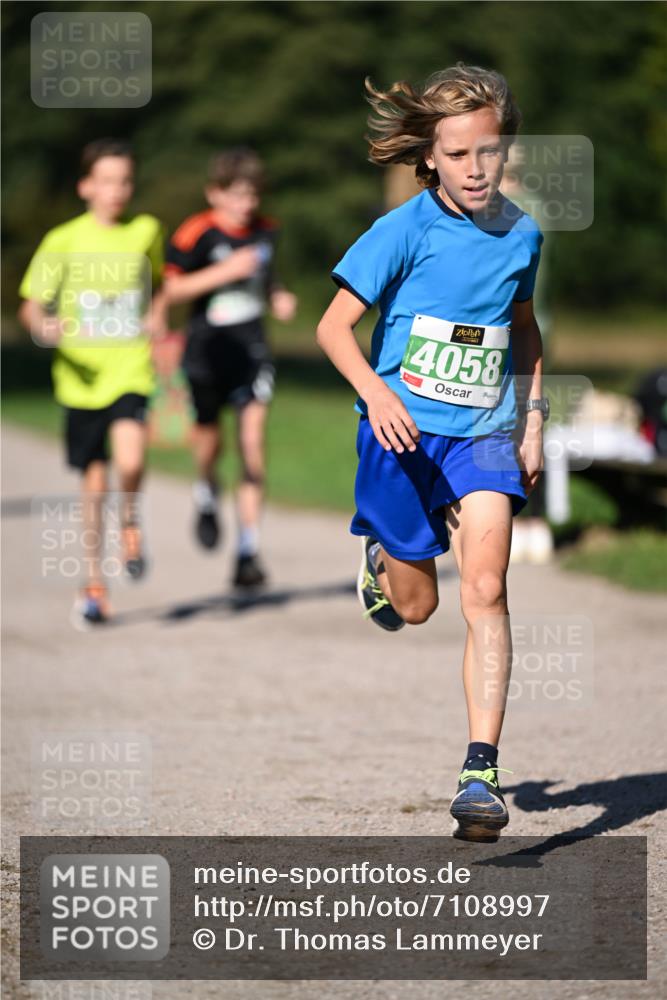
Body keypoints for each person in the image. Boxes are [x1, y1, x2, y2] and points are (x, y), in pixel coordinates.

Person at [317, 64, 547, 842]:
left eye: (487, 151)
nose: (475, 169)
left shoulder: (523, 234)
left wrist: (534, 420)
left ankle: (480, 771)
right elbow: (330, 328)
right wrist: (376, 396)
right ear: (430, 158)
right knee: (419, 608)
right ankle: (383, 563)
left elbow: (522, 327)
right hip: (401, 434)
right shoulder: (403, 230)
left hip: (482, 433)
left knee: (486, 587)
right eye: (456, 155)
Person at [18, 139, 164, 628]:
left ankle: (130, 522)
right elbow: (32, 304)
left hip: (129, 370)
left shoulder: (146, 231)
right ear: (85, 186)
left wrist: (157, 316)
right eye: (106, 180)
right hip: (79, 380)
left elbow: (159, 285)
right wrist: (43, 327)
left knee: (133, 458)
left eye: (124, 180)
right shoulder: (62, 240)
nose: (117, 190)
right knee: (94, 485)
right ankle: (93, 585)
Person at [164, 148, 296, 588]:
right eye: (237, 195)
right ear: (214, 194)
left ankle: (248, 551)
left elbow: (270, 279)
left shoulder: (267, 232)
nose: (246, 205)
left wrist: (279, 297)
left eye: (252, 195)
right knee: (210, 444)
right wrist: (223, 272)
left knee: (252, 444)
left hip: (252, 349)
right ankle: (205, 491)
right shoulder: (194, 233)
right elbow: (173, 291)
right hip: (205, 350)